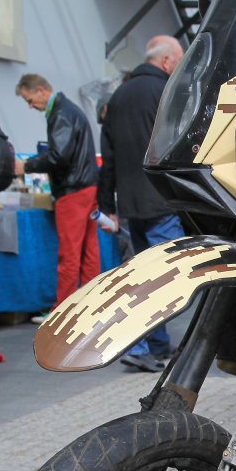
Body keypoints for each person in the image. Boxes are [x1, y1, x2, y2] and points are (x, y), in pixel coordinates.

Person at [98, 35, 184, 372]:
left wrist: (107, 202)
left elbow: (108, 155)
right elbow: (179, 143)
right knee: (164, 279)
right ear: (166, 61)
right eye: (178, 62)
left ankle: (156, 343)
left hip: (131, 204)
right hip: (161, 200)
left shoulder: (118, 95)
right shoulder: (165, 91)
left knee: (143, 274)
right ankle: (143, 345)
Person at [15, 73, 99, 311]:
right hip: (87, 186)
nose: (30, 106)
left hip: (72, 190)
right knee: (89, 251)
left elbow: (58, 156)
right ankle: (91, 305)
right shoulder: (70, 110)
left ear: (41, 90)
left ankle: (63, 311)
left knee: (69, 254)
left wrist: (26, 166)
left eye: (30, 100)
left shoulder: (61, 113)